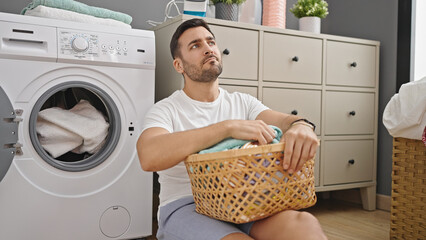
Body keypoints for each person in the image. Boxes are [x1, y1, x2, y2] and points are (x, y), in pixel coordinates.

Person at [137, 18, 327, 240]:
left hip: (241, 202)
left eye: (211, 42)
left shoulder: (243, 102)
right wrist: (226, 128)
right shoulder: (166, 110)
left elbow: (286, 121)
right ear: (179, 65)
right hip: (185, 206)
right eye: (195, 45)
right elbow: (148, 155)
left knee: (304, 224)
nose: (208, 49)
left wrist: (301, 126)